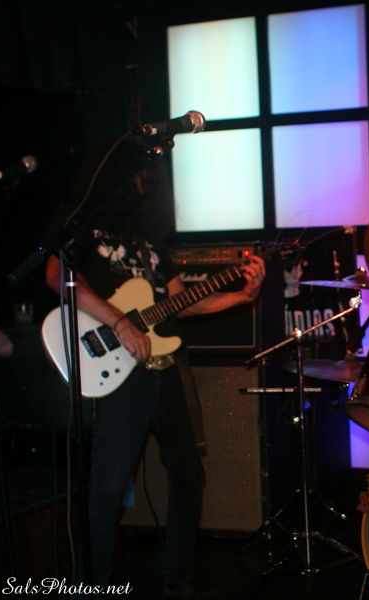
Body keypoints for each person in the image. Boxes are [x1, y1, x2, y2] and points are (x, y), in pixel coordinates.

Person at [44, 171, 265, 598]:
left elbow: (182, 303)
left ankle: (177, 580)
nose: (145, 182)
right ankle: (94, 587)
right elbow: (58, 277)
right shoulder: (82, 227)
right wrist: (119, 322)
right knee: (109, 486)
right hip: (117, 369)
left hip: (167, 366)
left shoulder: (149, 240)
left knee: (189, 475)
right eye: (138, 173)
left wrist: (243, 295)